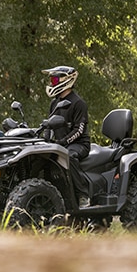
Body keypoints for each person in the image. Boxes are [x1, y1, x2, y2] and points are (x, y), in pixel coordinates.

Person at [41, 65, 91, 207]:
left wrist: (63, 142)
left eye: (55, 79)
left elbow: (79, 130)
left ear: (67, 80)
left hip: (79, 144)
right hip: (60, 144)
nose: (52, 83)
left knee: (69, 156)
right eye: (51, 80)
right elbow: (50, 124)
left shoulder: (79, 103)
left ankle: (83, 196)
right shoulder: (54, 103)